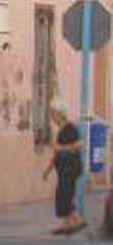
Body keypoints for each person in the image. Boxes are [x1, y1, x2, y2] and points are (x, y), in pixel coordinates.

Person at [42, 98, 86, 235]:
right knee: (62, 195)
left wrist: (61, 148)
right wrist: (47, 170)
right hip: (63, 169)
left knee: (65, 194)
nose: (52, 117)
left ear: (60, 113)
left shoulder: (70, 127)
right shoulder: (60, 130)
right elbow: (56, 154)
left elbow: (79, 144)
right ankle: (68, 224)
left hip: (71, 168)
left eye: (53, 114)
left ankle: (76, 221)